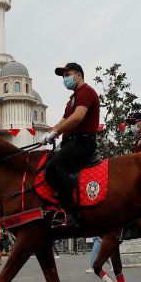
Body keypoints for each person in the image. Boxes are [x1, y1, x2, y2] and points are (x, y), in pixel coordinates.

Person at [42, 62, 100, 228]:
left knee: (55, 166)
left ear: (78, 75)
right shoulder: (72, 99)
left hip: (83, 142)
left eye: (67, 75)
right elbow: (65, 119)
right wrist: (50, 132)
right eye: (63, 76)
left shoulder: (86, 92)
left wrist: (56, 132)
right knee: (47, 164)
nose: (65, 79)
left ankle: (69, 213)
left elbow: (77, 117)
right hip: (71, 142)